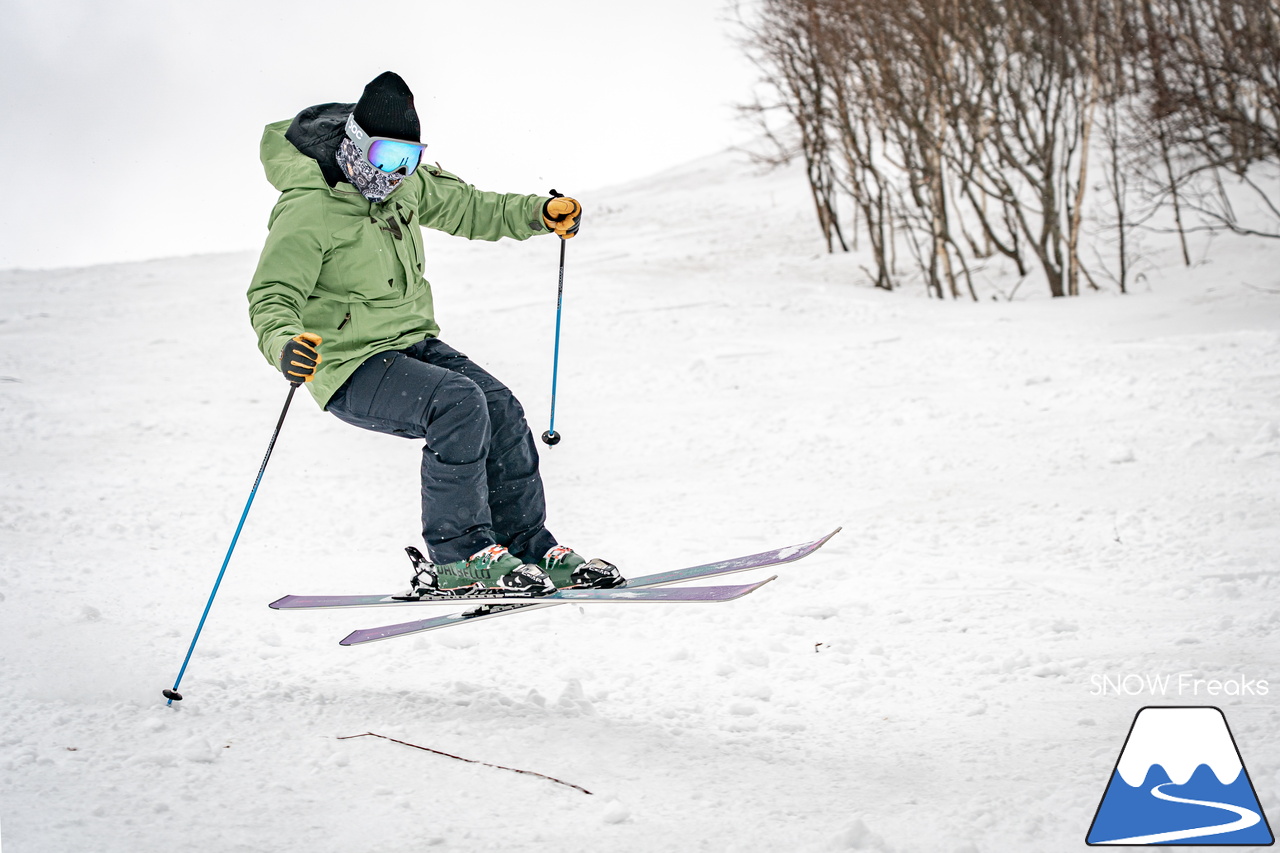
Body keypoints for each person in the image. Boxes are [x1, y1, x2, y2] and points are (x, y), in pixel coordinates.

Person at [247, 71, 623, 598]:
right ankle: (460, 559)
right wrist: (285, 345)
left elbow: (471, 207)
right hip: (346, 364)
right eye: (385, 158)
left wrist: (538, 213)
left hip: (410, 344)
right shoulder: (310, 208)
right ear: (356, 147)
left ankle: (526, 547)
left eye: (409, 159)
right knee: (458, 403)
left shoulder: (406, 185)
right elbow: (271, 296)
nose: (397, 173)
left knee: (501, 406)